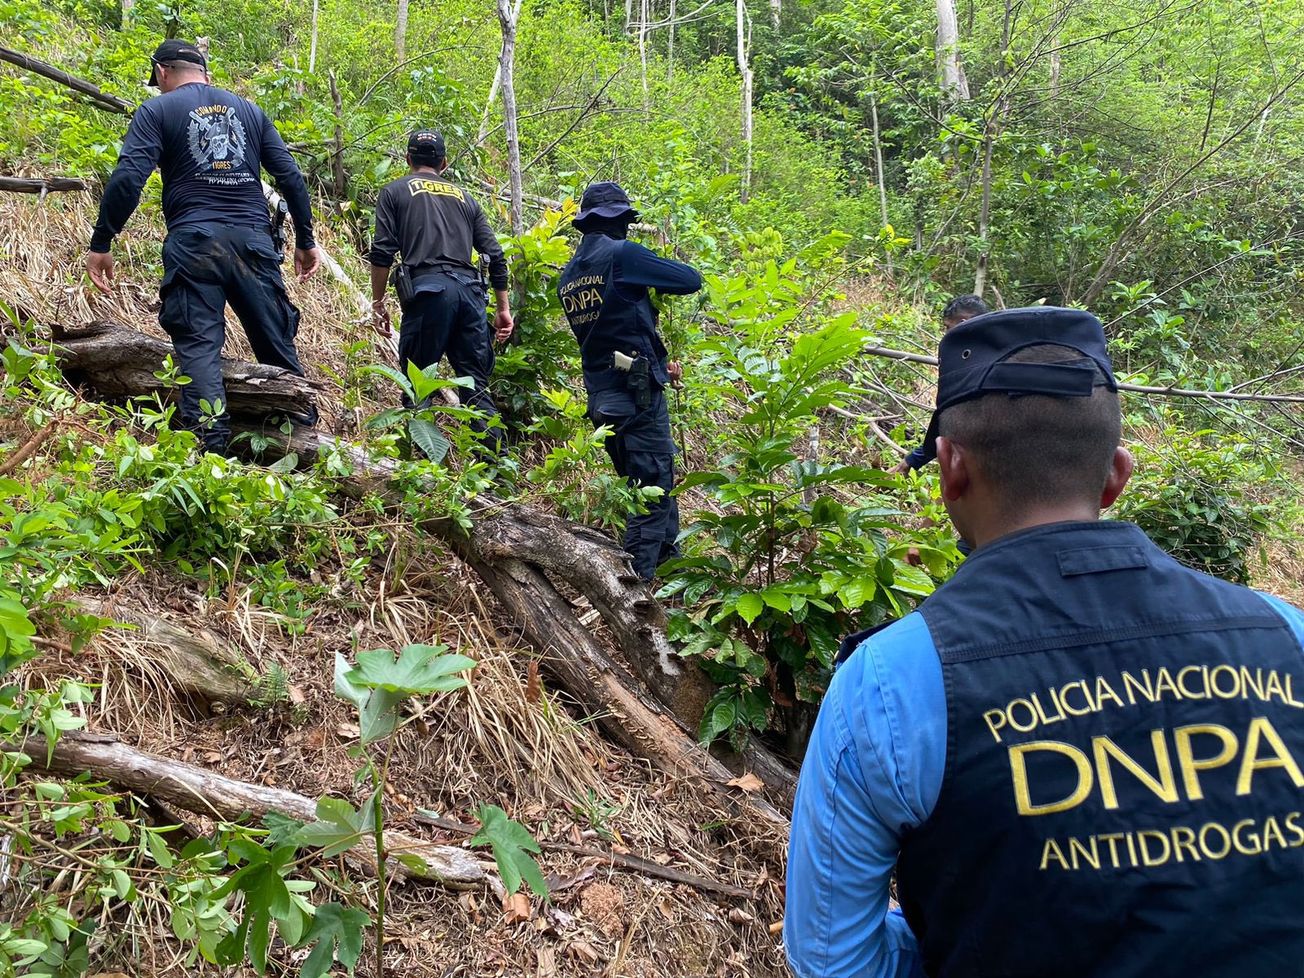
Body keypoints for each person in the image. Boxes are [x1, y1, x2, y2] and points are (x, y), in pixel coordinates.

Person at [785, 307, 1304, 978]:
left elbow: (833, 961)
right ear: (1117, 474)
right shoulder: (1283, 634)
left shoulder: (891, 682)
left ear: (950, 470)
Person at [86, 39, 321, 454]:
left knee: (199, 350)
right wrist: (306, 239)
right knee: (274, 341)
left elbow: (128, 179)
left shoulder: (158, 109)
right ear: (205, 72)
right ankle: (304, 439)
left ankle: (210, 454)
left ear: (161, 72)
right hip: (252, 241)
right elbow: (290, 176)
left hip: (194, 243)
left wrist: (103, 241)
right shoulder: (249, 111)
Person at [556, 182, 702, 581]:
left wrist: (660, 360)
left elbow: (616, 327)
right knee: (650, 492)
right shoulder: (623, 254)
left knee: (652, 482)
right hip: (636, 397)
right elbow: (690, 280)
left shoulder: (568, 277)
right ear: (620, 220)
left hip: (603, 398)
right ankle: (635, 592)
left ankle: (671, 567)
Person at [368, 130, 513, 448]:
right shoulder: (467, 199)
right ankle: (494, 474)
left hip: (429, 294)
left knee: (418, 386)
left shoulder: (394, 192)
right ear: (444, 163)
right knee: (475, 387)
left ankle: (422, 472)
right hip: (470, 296)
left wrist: (377, 302)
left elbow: (382, 252)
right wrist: (503, 309)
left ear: (408, 159)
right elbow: (495, 255)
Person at [893, 294, 988, 475]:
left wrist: (911, 461)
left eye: (947, 327)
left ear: (962, 323)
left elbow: (947, 408)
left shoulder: (962, 358)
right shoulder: (1004, 350)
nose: (945, 334)